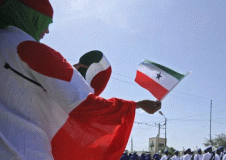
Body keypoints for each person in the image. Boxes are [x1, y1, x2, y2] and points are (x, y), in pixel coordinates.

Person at [0, 0, 162, 159]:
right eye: (46, 21)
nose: (47, 31)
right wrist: (136, 105)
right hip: (24, 152)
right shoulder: (33, 50)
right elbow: (83, 105)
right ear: (32, 16)